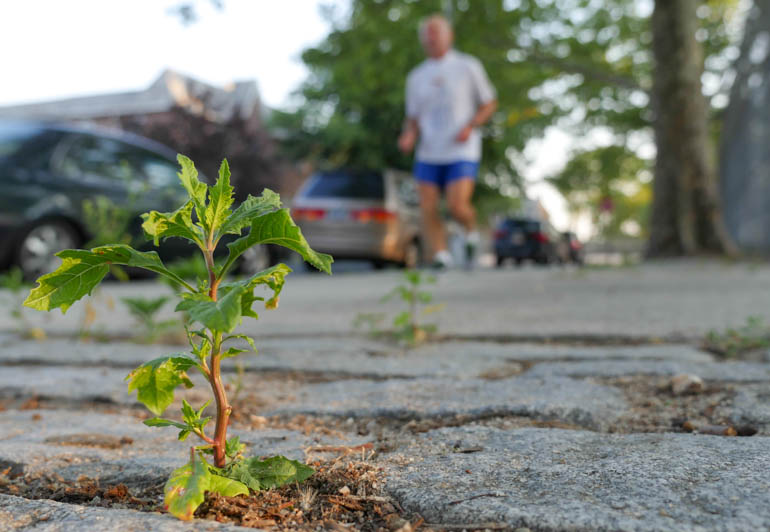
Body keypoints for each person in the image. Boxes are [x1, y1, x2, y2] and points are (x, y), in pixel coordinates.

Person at [398, 13, 498, 269]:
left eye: (436, 32)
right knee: (427, 206)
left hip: (462, 149)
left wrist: (471, 125)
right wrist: (409, 134)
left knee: (457, 206)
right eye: (427, 34)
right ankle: (441, 255)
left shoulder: (467, 66)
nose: (431, 38)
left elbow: (489, 102)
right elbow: (413, 117)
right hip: (429, 151)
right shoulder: (416, 77)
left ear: (449, 36)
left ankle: (470, 228)